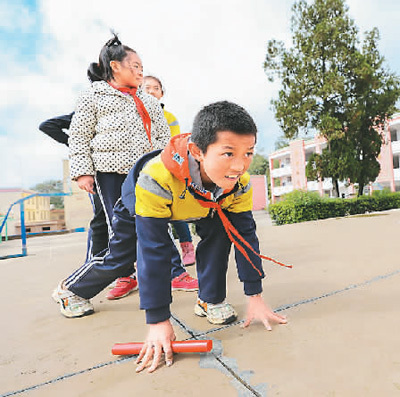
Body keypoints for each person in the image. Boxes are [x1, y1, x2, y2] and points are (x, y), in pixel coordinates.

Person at [53, 101, 289, 373]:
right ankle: (71, 291)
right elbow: (153, 250)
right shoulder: (156, 177)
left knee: (222, 234)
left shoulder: (239, 183)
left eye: (248, 152)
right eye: (228, 154)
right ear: (197, 152)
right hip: (140, 203)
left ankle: (210, 299)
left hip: (201, 203)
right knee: (123, 257)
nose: (240, 165)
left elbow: (246, 237)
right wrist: (158, 321)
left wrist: (254, 295)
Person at [52, 33, 197, 309]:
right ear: (115, 66)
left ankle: (175, 272)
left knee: (157, 223)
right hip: (110, 175)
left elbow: (163, 139)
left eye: (143, 66)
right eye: (135, 65)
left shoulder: (150, 101)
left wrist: (170, 169)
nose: (141, 71)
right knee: (122, 237)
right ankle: (75, 288)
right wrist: (83, 172)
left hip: (146, 175)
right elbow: (79, 135)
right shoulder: (93, 95)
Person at [39, 113, 109, 260]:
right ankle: (94, 261)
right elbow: (47, 125)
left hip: (122, 170)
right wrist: (71, 142)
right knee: (101, 217)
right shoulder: (87, 112)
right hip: (97, 172)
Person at [142, 75, 196, 266]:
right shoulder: (133, 116)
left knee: (176, 211)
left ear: (162, 94)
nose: (151, 91)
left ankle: (188, 247)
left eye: (156, 88)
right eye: (146, 88)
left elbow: (174, 143)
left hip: (165, 166)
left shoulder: (169, 118)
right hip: (143, 171)